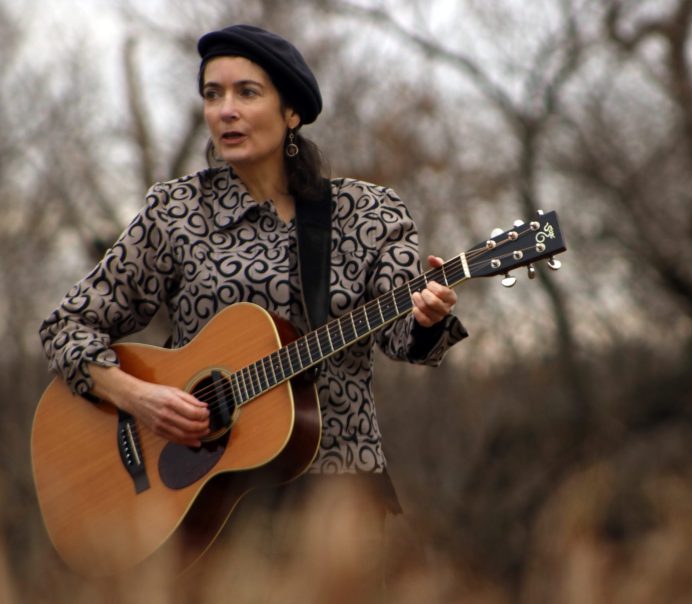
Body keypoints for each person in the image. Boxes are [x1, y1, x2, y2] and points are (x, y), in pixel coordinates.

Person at [39, 24, 467, 561]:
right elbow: (65, 327)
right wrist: (141, 399)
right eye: (212, 95)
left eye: (247, 92)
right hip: (210, 505)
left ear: (292, 113)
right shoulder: (177, 213)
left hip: (337, 497)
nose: (225, 110)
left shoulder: (368, 213)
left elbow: (405, 335)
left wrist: (427, 316)